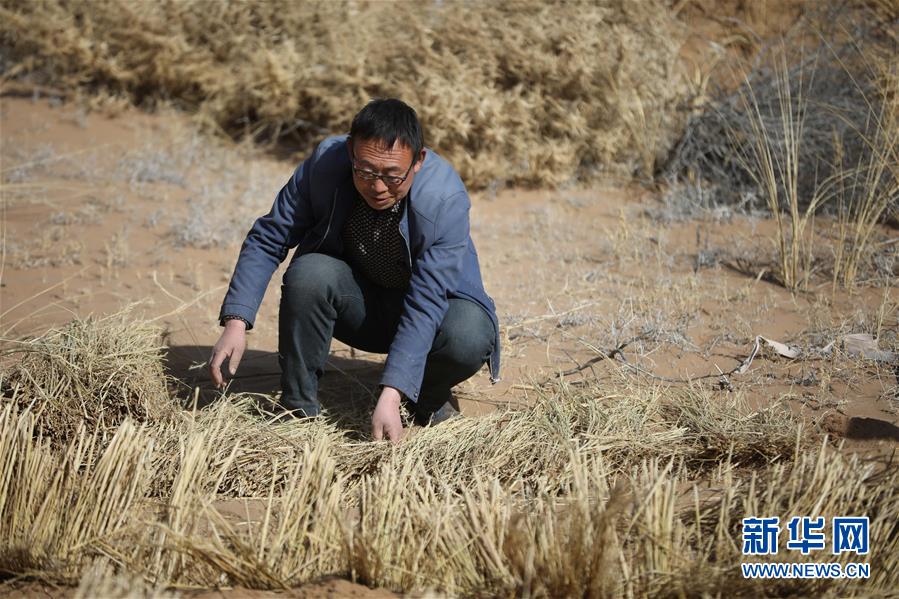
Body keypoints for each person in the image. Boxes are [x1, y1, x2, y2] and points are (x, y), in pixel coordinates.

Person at [208, 98, 500, 442]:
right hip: (358, 307)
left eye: (392, 176)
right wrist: (236, 322)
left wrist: (392, 392)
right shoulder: (324, 165)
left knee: (469, 335)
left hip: (430, 318)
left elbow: (427, 301)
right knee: (309, 274)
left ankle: (424, 397)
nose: (377, 187)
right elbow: (269, 236)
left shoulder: (444, 198)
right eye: (365, 171)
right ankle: (298, 409)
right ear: (350, 151)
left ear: (418, 161)